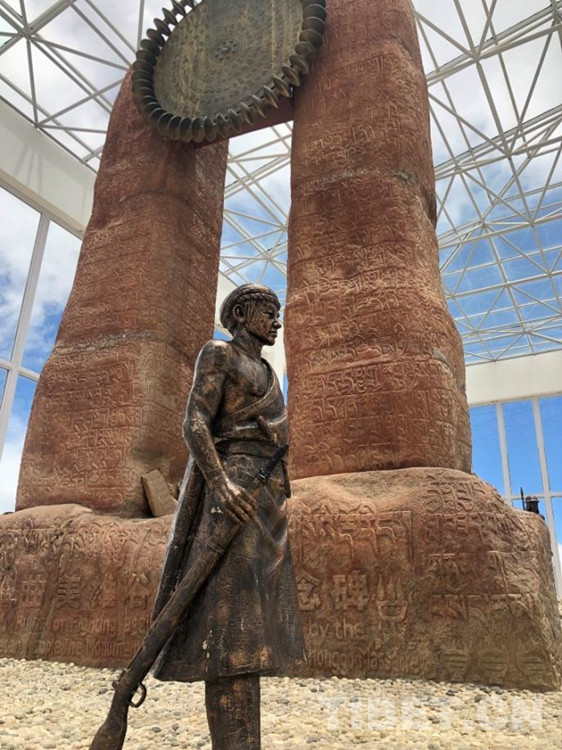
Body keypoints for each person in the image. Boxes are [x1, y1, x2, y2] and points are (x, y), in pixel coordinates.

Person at [151, 283, 305, 749]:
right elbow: (195, 421)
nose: (277, 321)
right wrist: (220, 483)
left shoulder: (268, 370)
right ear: (240, 312)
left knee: (256, 626)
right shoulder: (219, 354)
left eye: (278, 312)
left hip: (266, 497)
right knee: (229, 623)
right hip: (233, 493)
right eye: (268, 312)